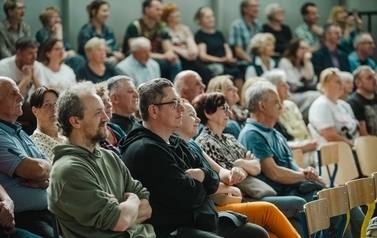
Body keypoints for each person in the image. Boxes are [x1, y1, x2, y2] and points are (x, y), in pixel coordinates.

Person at [120, 78, 269, 238]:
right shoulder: (146, 149)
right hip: (175, 229)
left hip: (202, 220)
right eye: (174, 104)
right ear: (154, 111)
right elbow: (187, 197)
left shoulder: (174, 140)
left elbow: (211, 175)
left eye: (180, 102)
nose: (181, 108)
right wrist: (205, 185)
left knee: (257, 234)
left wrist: (203, 176)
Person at [239, 80, 363, 238]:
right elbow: (275, 173)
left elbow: (292, 166)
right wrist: (304, 175)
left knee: (345, 196)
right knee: (337, 203)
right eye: (276, 102)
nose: (281, 106)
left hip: (296, 188)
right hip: (283, 194)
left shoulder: (274, 132)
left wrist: (306, 172)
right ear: (262, 106)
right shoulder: (252, 134)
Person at [175, 99, 300, 238]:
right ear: (178, 118)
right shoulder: (202, 142)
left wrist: (237, 169)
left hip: (237, 194)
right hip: (218, 203)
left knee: (272, 233)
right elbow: (204, 185)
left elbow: (229, 171)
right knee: (273, 210)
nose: (197, 119)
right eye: (192, 115)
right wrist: (235, 176)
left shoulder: (194, 144)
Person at [47, 81, 155, 237]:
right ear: (75, 121)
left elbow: (147, 208)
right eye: (98, 113)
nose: (106, 118)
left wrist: (122, 207)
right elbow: (121, 221)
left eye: (104, 111)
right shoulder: (69, 171)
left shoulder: (109, 156)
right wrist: (132, 198)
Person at [0, 77, 53, 237]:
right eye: (12, 94)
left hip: (51, 209)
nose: (21, 97)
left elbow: (53, 167)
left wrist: (45, 181)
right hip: (27, 217)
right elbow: (35, 170)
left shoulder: (19, 131)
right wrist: (44, 174)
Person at [262, 69, 318, 168]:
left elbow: (304, 129)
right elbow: (279, 142)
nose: (288, 87)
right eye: (283, 85)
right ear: (273, 89)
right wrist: (303, 146)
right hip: (293, 152)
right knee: (320, 157)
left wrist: (311, 141)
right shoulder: (270, 112)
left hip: (307, 145)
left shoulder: (291, 105)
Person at [122, 0, 181, 82]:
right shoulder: (135, 26)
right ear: (147, 10)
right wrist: (164, 56)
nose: (161, 13)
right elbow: (136, 52)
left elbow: (168, 48)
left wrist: (170, 54)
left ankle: (174, 91)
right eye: (157, 9)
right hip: (137, 61)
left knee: (175, 62)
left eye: (161, 10)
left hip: (156, 61)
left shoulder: (162, 26)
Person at [194, 6, 244, 92]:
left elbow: (226, 48)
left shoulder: (219, 34)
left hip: (224, 62)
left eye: (212, 16)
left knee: (238, 71)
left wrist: (229, 57)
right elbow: (203, 55)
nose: (211, 19)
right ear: (200, 20)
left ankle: (240, 100)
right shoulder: (200, 35)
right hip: (211, 64)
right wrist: (220, 60)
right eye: (208, 17)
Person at [162, 3, 212, 85]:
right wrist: (182, 52)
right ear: (167, 16)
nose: (178, 14)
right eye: (174, 12)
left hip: (189, 58)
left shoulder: (184, 29)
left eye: (178, 11)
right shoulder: (164, 30)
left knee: (205, 71)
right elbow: (167, 47)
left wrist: (193, 52)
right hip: (177, 59)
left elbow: (191, 43)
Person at [308, 68, 359, 147]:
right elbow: (330, 136)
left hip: (354, 148)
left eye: (342, 81)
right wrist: (354, 147)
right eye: (338, 82)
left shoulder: (344, 105)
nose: (342, 85)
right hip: (335, 152)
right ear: (325, 84)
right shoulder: (321, 105)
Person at [35, 6, 85, 74]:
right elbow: (53, 49)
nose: (58, 20)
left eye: (58, 17)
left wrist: (65, 53)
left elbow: (71, 50)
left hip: (63, 57)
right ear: (46, 20)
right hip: (48, 60)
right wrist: (58, 33)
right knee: (74, 60)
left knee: (80, 58)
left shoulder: (61, 33)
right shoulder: (42, 33)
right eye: (54, 17)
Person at [77, 0, 124, 65]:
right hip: (91, 64)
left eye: (108, 11)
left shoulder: (109, 30)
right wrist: (110, 52)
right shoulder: (86, 31)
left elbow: (115, 47)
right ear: (94, 12)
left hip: (110, 60)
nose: (107, 14)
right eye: (104, 11)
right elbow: (90, 51)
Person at [30, 87, 63, 160]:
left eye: (56, 103)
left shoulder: (68, 135)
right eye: (47, 105)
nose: (54, 108)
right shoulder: (35, 144)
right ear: (35, 111)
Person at [95, 82, 126, 156]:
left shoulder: (114, 127)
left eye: (108, 100)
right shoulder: (95, 133)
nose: (109, 105)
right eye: (103, 102)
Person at [347, 65, 377, 136]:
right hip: (369, 144)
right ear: (358, 83)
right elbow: (363, 133)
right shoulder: (353, 103)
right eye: (369, 78)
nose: (374, 79)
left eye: (374, 76)